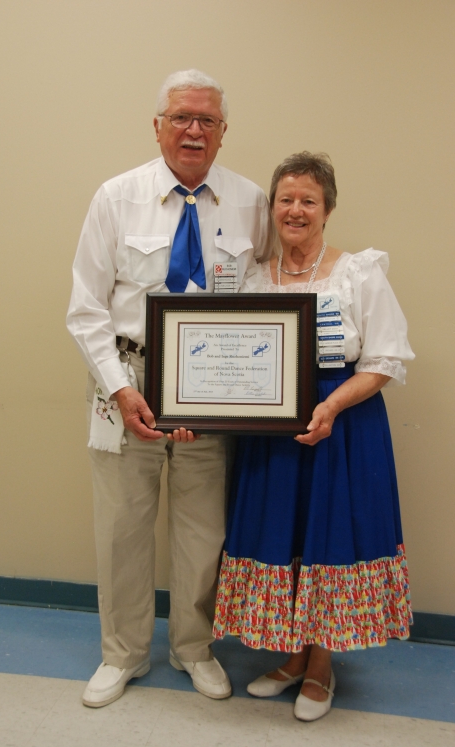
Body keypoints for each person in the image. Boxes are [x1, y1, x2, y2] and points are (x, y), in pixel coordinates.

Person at [66, 69, 270, 708]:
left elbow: (266, 299)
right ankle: (122, 654)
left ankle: (193, 648)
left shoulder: (251, 201)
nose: (193, 130)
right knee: (122, 528)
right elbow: (85, 309)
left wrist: (246, 388)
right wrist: (119, 390)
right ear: (157, 126)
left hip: (215, 391)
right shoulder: (116, 197)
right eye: (181, 117)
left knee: (203, 531)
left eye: (207, 120)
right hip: (127, 384)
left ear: (223, 131)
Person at [213, 152, 414, 721]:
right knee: (288, 536)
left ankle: (322, 665)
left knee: (330, 537)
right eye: (286, 199)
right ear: (272, 208)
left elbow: (385, 360)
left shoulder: (358, 273)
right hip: (271, 436)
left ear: (327, 209)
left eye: (309, 200)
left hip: (341, 428)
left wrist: (330, 405)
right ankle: (294, 658)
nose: (296, 210)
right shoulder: (254, 277)